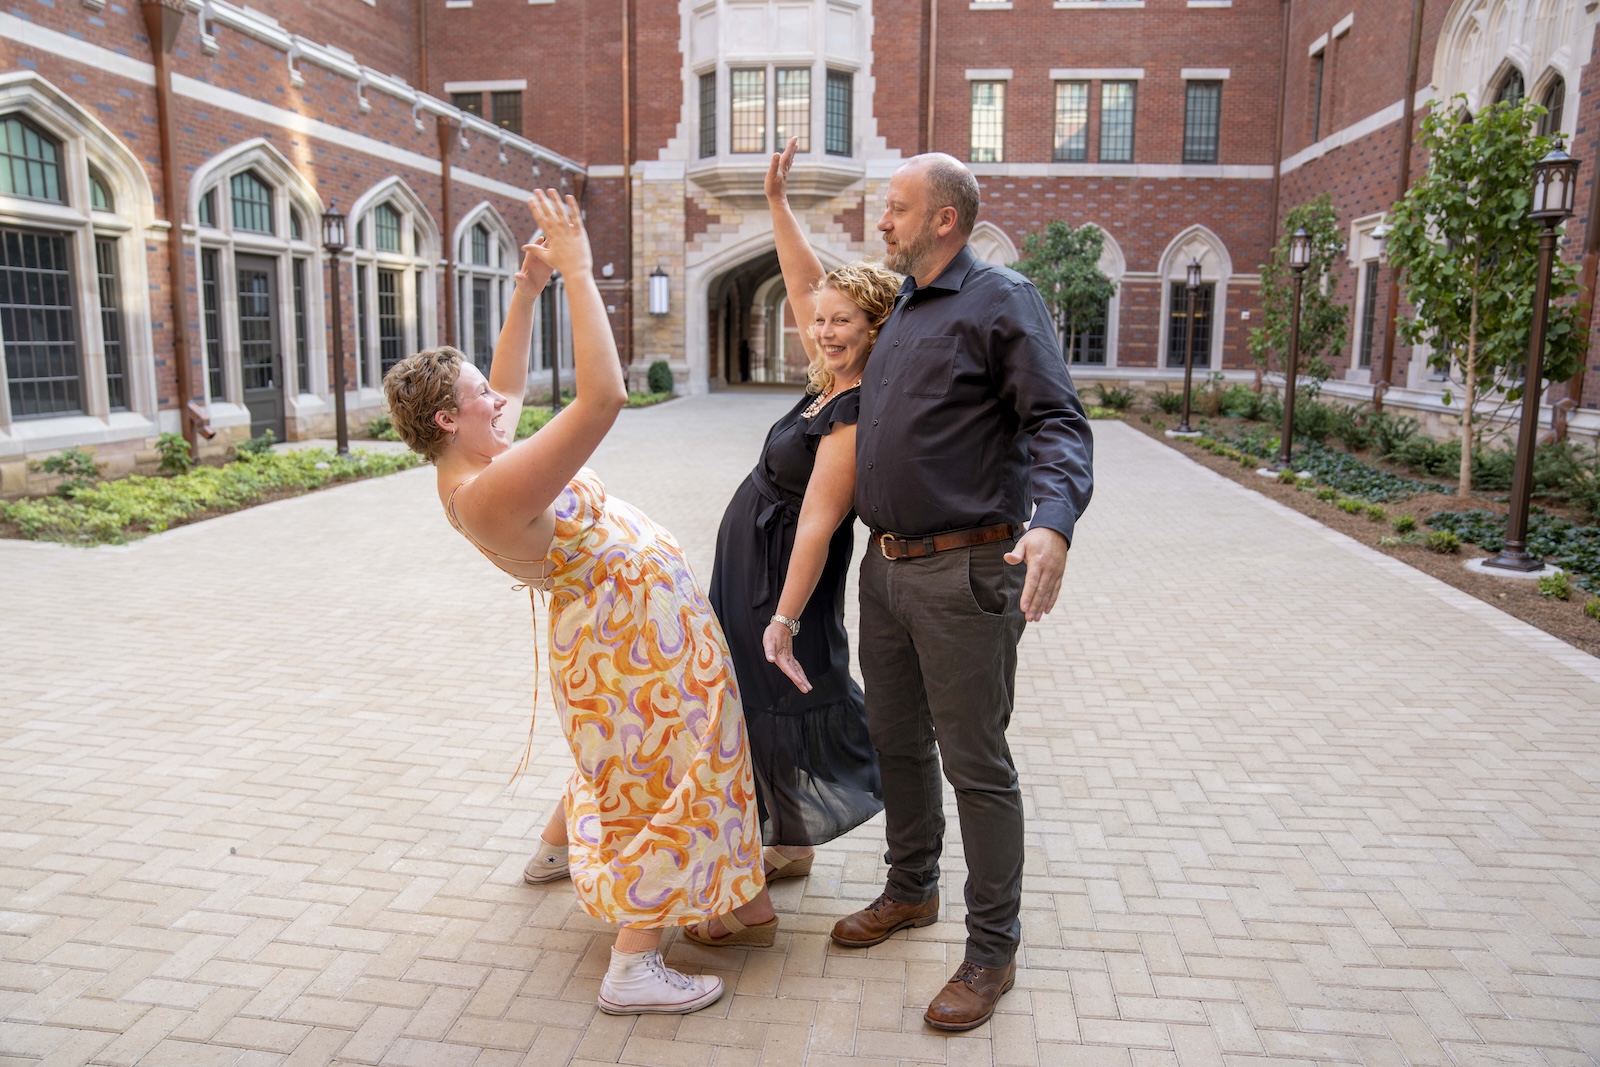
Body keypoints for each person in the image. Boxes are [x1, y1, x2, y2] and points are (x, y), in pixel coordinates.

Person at [382, 190, 762, 1016]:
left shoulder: (473, 454)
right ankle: (634, 962)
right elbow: (603, 399)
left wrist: (528, 288)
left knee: (625, 763)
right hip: (628, 647)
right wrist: (583, 270)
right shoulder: (486, 491)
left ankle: (555, 852)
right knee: (679, 775)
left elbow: (507, 381)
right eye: (483, 395)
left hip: (627, 639)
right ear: (450, 418)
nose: (501, 401)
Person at [832, 154, 1094, 1031]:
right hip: (888, 568)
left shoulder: (1000, 299)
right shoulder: (903, 304)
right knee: (895, 740)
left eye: (897, 209)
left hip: (967, 570)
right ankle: (911, 889)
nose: (883, 222)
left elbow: (1056, 420)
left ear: (945, 219)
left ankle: (992, 950)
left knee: (974, 762)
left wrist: (1053, 520)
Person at [685, 138, 898, 948]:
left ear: (877, 329)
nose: (825, 328)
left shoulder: (852, 406)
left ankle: (773, 855)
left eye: (844, 321)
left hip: (781, 576)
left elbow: (819, 518)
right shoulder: (830, 376)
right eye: (820, 321)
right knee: (756, 700)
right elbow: (811, 283)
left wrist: (782, 616)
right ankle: (792, 841)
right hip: (752, 562)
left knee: (767, 701)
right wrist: (778, 206)